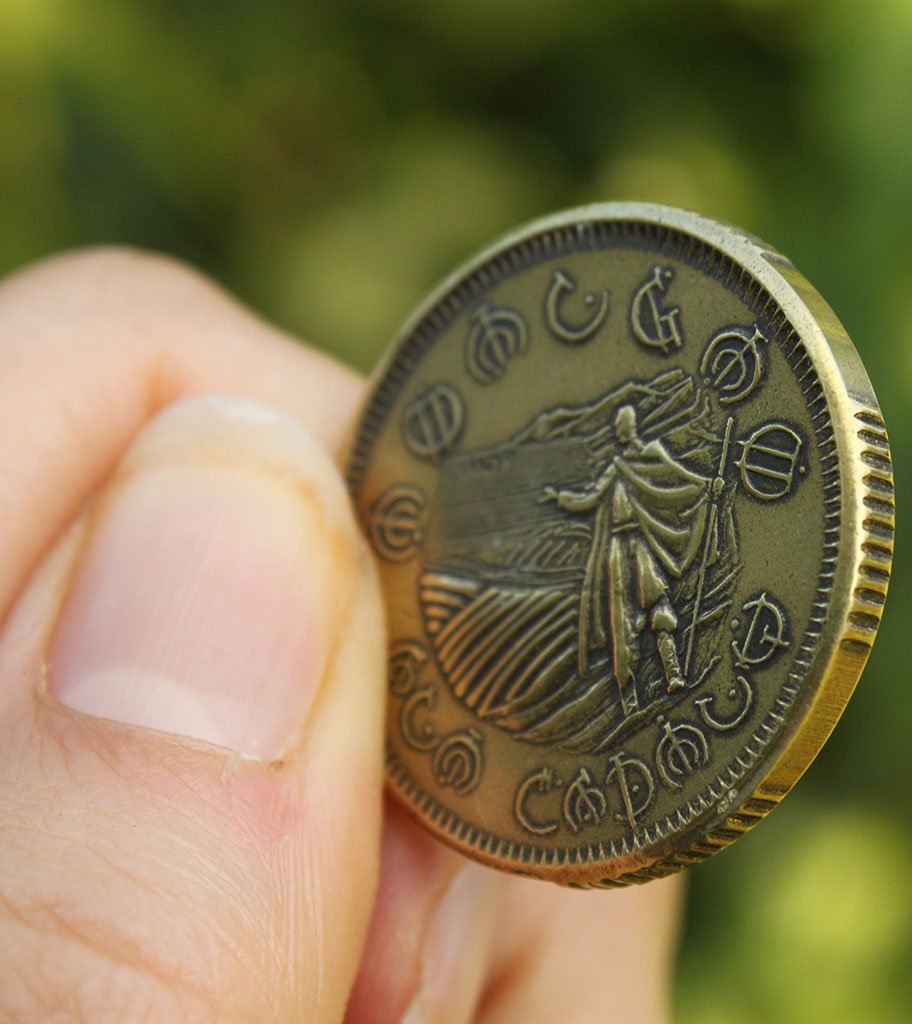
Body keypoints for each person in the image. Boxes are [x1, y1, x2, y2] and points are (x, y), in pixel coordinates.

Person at [0, 249, 680, 1022]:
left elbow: (649, 483)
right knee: (610, 628)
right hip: (606, 560)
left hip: (630, 557)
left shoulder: (645, 463)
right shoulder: (617, 469)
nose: (621, 432)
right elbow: (594, 490)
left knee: (635, 620)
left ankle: (642, 668)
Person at [542, 404, 709, 714]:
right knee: (622, 622)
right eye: (619, 426)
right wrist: (561, 499)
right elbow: (590, 499)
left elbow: (677, 479)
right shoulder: (616, 467)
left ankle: (673, 675)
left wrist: (705, 488)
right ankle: (629, 701)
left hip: (640, 543)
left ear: (630, 428)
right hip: (618, 549)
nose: (620, 432)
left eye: (622, 426)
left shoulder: (651, 456)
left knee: (658, 606)